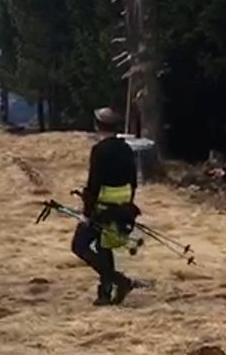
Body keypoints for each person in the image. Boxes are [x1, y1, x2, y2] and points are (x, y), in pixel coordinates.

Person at [70, 107, 138, 306]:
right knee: (103, 245)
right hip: (123, 206)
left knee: (79, 245)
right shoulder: (126, 148)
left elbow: (94, 184)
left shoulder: (99, 150)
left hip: (102, 207)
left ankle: (119, 280)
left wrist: (87, 213)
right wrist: (128, 205)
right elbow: (133, 181)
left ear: (97, 125)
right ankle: (105, 292)